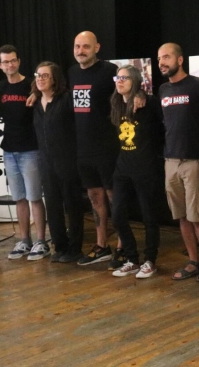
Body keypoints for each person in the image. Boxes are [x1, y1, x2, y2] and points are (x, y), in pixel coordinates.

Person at [157, 42, 199, 281]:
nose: (162, 62)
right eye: (160, 58)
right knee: (181, 216)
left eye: (167, 57)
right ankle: (193, 260)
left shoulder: (198, 85)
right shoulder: (162, 90)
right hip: (170, 160)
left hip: (195, 159)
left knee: (198, 217)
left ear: (180, 60)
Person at [110, 66, 167, 279]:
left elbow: (163, 129)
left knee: (149, 216)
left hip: (146, 168)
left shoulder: (148, 103)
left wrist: (142, 94)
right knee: (117, 215)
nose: (120, 81)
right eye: (118, 77)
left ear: (135, 80)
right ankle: (132, 259)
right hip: (123, 168)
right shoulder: (116, 103)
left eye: (125, 77)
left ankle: (150, 260)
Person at [68, 31, 120, 265]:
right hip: (82, 148)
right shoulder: (71, 73)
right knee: (94, 197)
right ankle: (102, 245)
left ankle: (123, 244)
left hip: (108, 148)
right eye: (77, 46)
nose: (81, 51)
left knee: (114, 197)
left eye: (86, 46)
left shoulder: (110, 71)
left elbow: (129, 94)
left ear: (97, 47)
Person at [0, 45, 48, 261]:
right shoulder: (0, 89)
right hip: (9, 150)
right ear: (0, 65)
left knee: (34, 196)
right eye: (5, 62)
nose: (10, 65)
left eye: (13, 61)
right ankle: (24, 240)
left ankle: (41, 242)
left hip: (31, 149)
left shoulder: (32, 85)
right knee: (19, 198)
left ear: (19, 61)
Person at [32, 61, 86, 263]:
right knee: (53, 205)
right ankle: (60, 246)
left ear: (55, 78)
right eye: (38, 75)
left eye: (45, 75)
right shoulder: (36, 102)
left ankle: (75, 248)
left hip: (68, 160)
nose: (40, 78)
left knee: (72, 205)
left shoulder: (67, 99)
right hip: (46, 162)